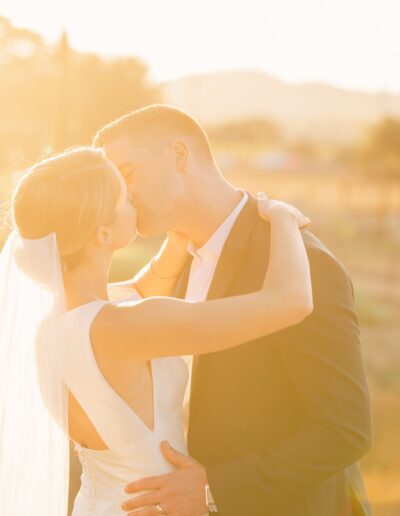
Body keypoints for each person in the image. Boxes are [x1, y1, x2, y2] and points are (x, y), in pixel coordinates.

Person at [0, 146, 312, 516]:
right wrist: (282, 218)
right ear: (102, 234)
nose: (137, 202)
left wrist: (181, 234)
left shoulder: (52, 324)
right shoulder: (128, 325)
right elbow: (290, 301)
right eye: (127, 198)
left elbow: (144, 287)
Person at [93, 104, 373, 516]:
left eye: (128, 173)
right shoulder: (177, 263)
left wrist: (212, 490)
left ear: (178, 155)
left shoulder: (301, 263)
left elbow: (345, 429)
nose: (123, 194)